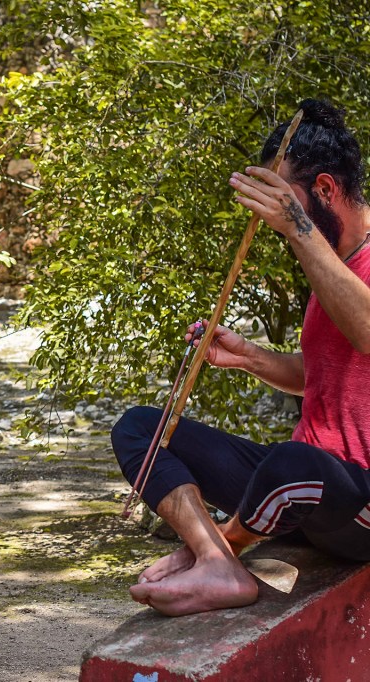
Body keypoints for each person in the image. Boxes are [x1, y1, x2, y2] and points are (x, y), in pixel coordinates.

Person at [111, 98, 370, 617]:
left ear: (324, 190)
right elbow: (324, 376)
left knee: (289, 462)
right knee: (141, 427)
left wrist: (299, 228)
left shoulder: (329, 254)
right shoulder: (329, 261)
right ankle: (217, 563)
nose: (275, 219)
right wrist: (249, 356)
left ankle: (221, 544)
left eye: (283, 200)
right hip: (303, 489)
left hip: (356, 502)